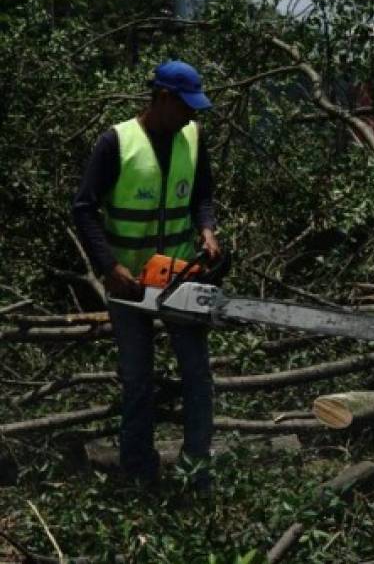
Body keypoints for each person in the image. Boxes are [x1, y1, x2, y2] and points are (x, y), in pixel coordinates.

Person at [72, 60, 220, 490]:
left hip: (179, 277)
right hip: (129, 282)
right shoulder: (117, 142)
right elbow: (83, 208)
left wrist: (207, 229)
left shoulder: (191, 137)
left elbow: (202, 194)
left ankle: (197, 472)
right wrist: (109, 266)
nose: (191, 116)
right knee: (137, 380)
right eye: (185, 106)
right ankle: (138, 472)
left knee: (197, 375)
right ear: (162, 99)